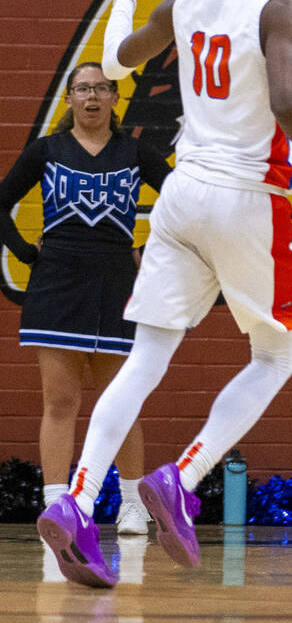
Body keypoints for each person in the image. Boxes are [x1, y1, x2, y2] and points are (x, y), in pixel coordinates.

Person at [36, 0, 292, 588]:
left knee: (145, 357)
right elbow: (287, 100)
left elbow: (117, 60)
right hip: (245, 197)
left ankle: (77, 500)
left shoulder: (184, 0)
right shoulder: (282, 8)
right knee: (275, 356)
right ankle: (184, 474)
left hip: (180, 195)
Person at [0, 62, 171, 535]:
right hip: (57, 283)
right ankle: (59, 506)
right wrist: (25, 252)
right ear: (70, 98)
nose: (91, 96)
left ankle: (133, 505)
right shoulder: (46, 150)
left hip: (117, 282)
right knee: (60, 401)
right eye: (82, 89)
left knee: (120, 401)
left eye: (100, 88)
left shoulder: (135, 152)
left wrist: (147, 252)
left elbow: (184, 204)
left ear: (115, 97)